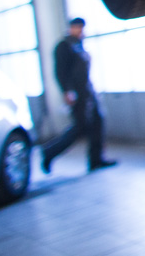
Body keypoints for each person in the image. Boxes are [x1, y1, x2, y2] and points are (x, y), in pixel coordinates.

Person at [40, 18, 116, 173]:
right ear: (71, 28)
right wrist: (67, 91)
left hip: (88, 91)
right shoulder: (64, 46)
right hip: (77, 93)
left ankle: (96, 160)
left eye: (82, 28)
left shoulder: (79, 45)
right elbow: (60, 71)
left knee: (97, 122)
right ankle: (50, 152)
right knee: (80, 127)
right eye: (77, 28)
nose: (80, 31)